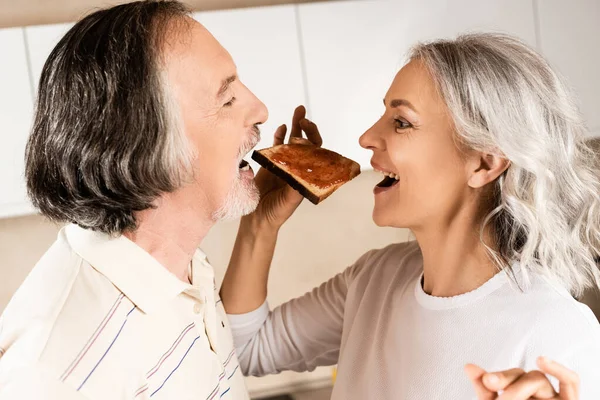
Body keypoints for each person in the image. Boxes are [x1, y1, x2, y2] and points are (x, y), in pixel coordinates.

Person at [220, 33, 600, 399]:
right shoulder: (375, 279)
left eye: (402, 122)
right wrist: (260, 224)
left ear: (484, 163)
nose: (367, 137)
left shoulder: (558, 331)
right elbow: (244, 349)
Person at [0, 1, 268, 398]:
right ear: (145, 145)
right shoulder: (57, 372)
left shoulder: (184, 267)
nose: (260, 110)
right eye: (226, 100)